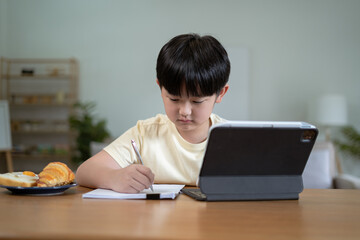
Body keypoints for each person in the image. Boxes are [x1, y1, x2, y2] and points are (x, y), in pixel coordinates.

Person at [76, 33, 231, 193]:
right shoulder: (144, 133)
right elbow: (84, 172)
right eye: (174, 99)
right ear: (160, 88)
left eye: (197, 101)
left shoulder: (233, 137)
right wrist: (114, 177)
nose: (184, 111)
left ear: (221, 93)